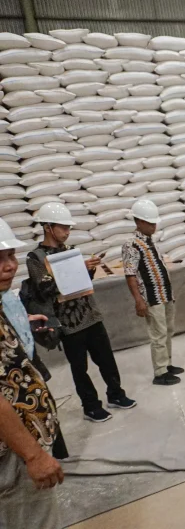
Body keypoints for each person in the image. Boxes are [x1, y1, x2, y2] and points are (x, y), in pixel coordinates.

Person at [27, 202, 136, 423]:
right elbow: (45, 288)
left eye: (69, 228)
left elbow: (83, 283)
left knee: (106, 360)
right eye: (63, 227)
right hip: (68, 322)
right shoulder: (35, 258)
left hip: (90, 315)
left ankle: (116, 394)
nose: (67, 232)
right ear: (48, 227)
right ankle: (90, 406)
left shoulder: (70, 251)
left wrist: (89, 269)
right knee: (80, 369)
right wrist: (77, 268)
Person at [0, 218, 63, 529]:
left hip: (26, 440)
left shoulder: (4, 300)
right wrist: (33, 455)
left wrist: (23, 321)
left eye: (10, 256)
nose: (9, 266)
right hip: (14, 452)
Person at [122, 200, 184, 386]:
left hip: (164, 293)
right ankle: (160, 372)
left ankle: (168, 364)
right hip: (151, 297)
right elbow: (130, 273)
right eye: (149, 223)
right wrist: (138, 300)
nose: (153, 226)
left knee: (168, 330)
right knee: (158, 334)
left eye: (154, 222)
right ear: (138, 221)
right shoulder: (131, 244)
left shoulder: (149, 242)